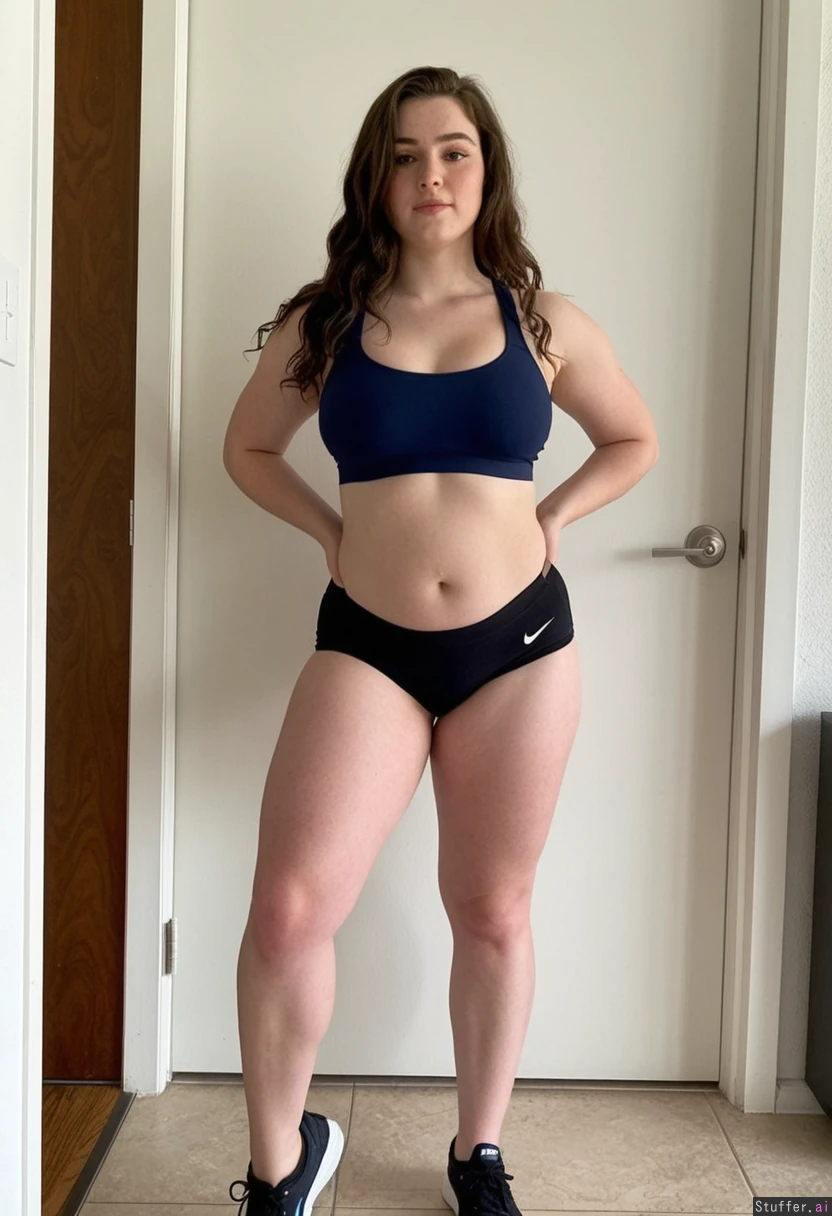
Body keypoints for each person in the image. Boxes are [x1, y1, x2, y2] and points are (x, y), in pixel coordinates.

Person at [223, 64, 658, 1216]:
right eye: (407, 155)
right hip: (367, 644)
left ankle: (478, 1152)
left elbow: (632, 438)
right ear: (377, 176)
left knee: (492, 908)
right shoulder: (325, 322)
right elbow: (247, 449)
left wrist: (554, 516)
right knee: (288, 911)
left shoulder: (541, 320)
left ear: (485, 169)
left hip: (519, 647)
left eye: (454, 151)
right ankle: (278, 1166)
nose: (431, 174)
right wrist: (327, 532)